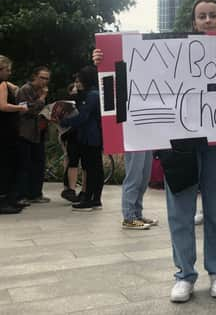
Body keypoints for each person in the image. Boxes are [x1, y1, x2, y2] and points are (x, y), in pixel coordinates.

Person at [164, 0, 216, 303]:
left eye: (213, 15)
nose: (207, 20)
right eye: (202, 16)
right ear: (194, 23)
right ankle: (184, 275)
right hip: (179, 141)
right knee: (179, 209)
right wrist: (103, 58)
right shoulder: (171, 51)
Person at [91, 53, 159, 230]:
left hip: (147, 134)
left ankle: (137, 213)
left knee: (143, 177)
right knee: (134, 177)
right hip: (132, 135)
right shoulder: (125, 84)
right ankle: (129, 216)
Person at [57, 66, 104, 212]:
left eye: (80, 81)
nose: (77, 84)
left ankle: (88, 199)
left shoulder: (92, 95)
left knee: (91, 168)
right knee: (95, 168)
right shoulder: (93, 93)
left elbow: (83, 116)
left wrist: (63, 122)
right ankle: (95, 199)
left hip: (90, 137)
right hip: (93, 136)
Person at [16, 66, 51, 204]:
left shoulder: (43, 90)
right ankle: (22, 195)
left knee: (39, 163)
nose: (44, 81)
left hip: (39, 131)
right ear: (35, 76)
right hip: (26, 132)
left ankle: (36, 193)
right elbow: (25, 110)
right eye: (42, 78)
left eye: (47, 79)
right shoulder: (25, 89)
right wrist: (42, 98)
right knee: (25, 164)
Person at [0, 55, 29, 214]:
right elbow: (3, 106)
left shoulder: (4, 84)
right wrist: (20, 108)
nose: (9, 73)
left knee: (8, 164)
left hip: (5, 130)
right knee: (8, 165)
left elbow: (15, 88)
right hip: (5, 131)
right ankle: (5, 200)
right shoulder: (2, 84)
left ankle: (9, 198)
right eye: (7, 70)